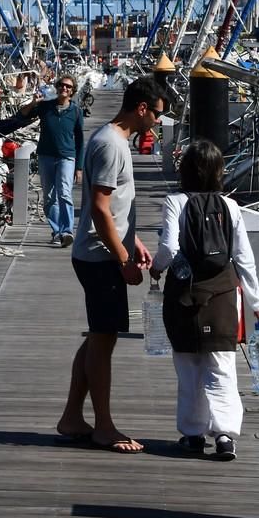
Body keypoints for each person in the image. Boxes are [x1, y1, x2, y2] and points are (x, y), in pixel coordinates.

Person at [55, 76, 169, 454]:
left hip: (103, 251)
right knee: (104, 341)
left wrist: (132, 239)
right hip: (99, 257)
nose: (156, 122)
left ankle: (72, 415)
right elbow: (100, 208)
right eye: (156, 114)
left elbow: (110, 208)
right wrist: (123, 260)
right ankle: (104, 426)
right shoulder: (110, 145)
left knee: (98, 337)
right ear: (141, 108)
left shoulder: (112, 140)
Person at [149, 139, 259, 462]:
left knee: (189, 366)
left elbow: (170, 248)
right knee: (223, 366)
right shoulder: (230, 207)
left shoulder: (175, 202)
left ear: (186, 170)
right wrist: (257, 301)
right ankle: (226, 435)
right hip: (224, 296)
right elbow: (244, 258)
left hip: (185, 295)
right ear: (218, 173)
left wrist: (156, 269)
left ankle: (193, 433)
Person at [19, 74, 85, 246]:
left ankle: (67, 230)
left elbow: (80, 140)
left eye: (68, 87)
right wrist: (34, 102)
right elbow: (23, 114)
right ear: (57, 87)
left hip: (67, 156)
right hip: (46, 156)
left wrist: (79, 167)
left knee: (64, 193)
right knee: (49, 198)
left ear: (72, 91)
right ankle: (57, 232)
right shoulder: (45, 107)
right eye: (62, 85)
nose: (65, 88)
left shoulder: (76, 111)